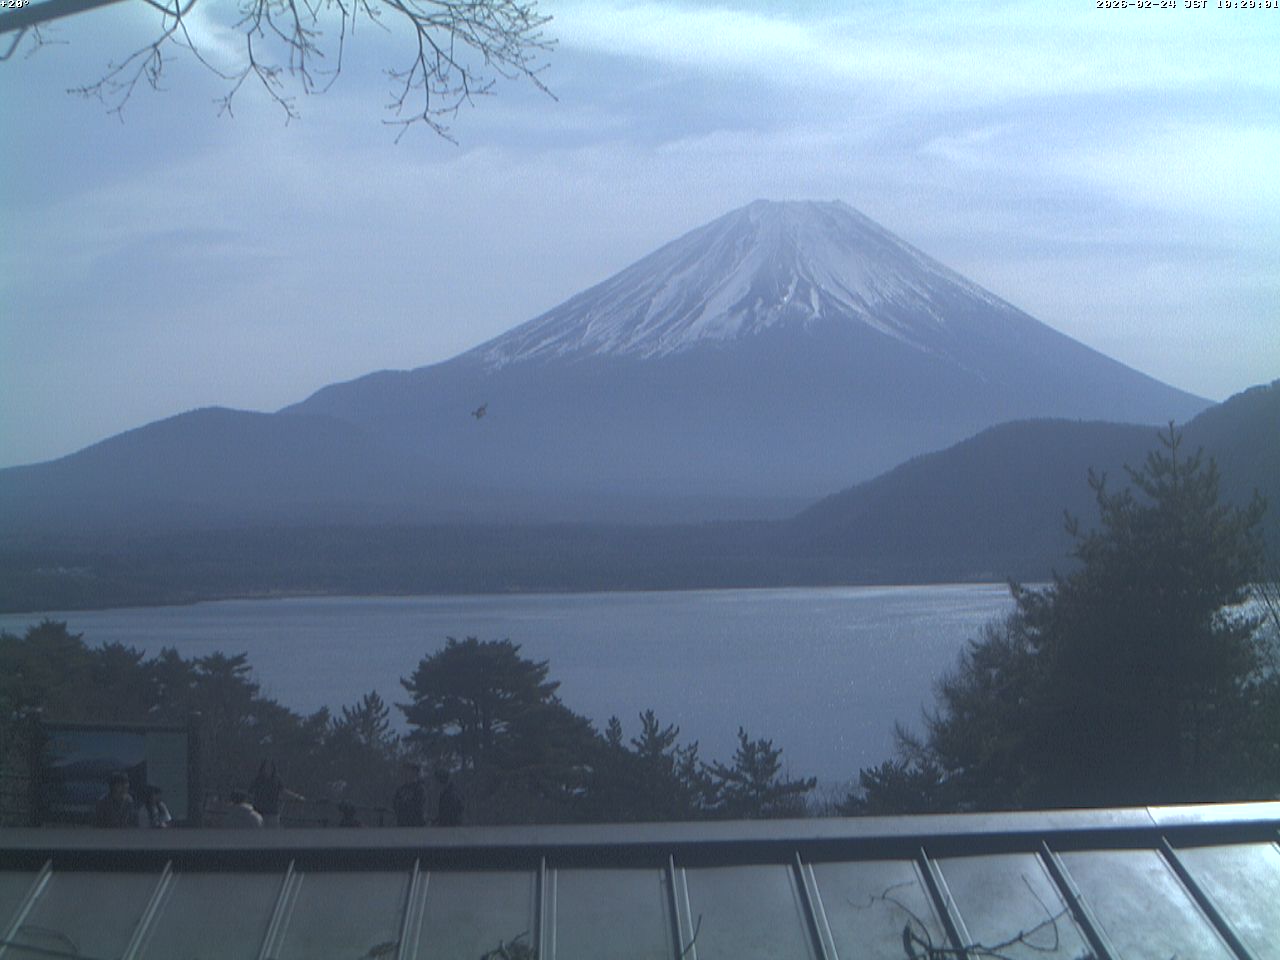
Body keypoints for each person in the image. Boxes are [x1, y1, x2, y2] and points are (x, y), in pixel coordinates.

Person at [250, 760, 305, 828]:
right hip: (259, 813)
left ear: (273, 768)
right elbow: (250, 793)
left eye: (270, 767)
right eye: (266, 767)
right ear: (262, 768)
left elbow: (283, 791)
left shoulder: (276, 780)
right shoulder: (258, 780)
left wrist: (297, 797)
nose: (268, 769)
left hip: (272, 813)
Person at [392, 762, 427, 827]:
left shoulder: (420, 789)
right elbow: (395, 804)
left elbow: (418, 806)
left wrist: (406, 807)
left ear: (415, 773)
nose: (407, 773)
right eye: (406, 771)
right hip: (402, 824)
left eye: (410, 771)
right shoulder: (400, 789)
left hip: (416, 825)